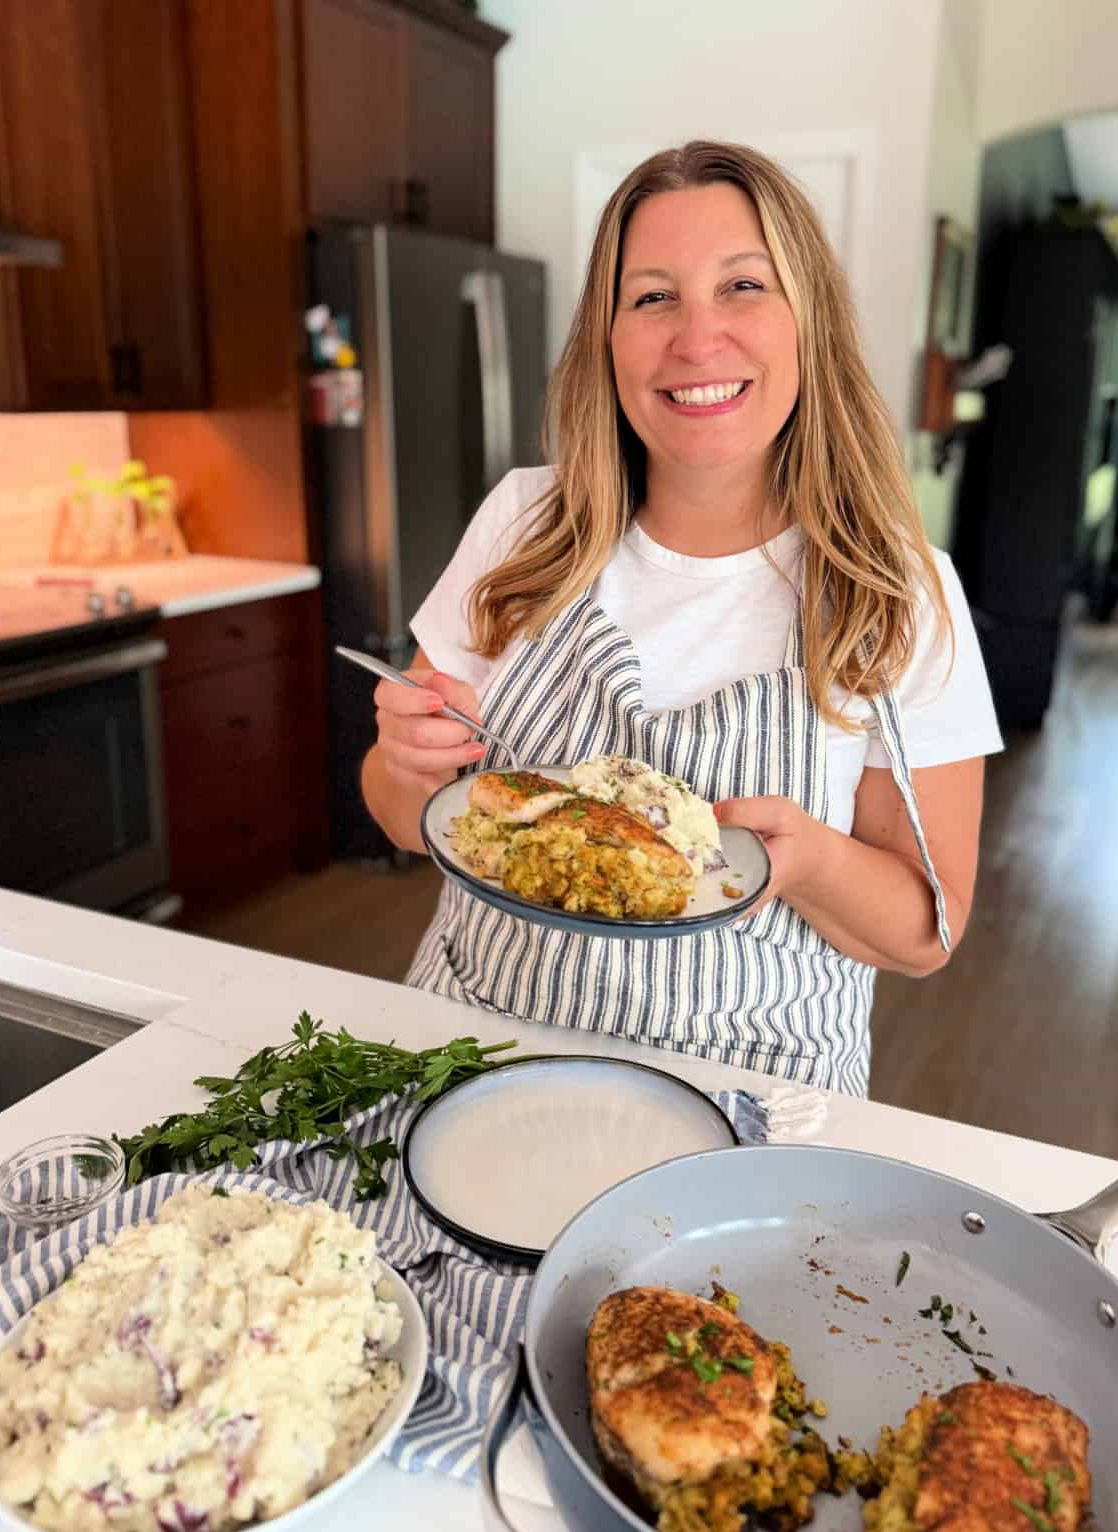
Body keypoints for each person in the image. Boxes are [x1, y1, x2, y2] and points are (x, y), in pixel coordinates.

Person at [361, 140, 1002, 1095]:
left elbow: (926, 934)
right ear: (607, 339)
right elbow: (409, 820)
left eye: (743, 286)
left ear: (808, 320)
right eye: (653, 296)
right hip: (473, 1053)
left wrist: (810, 860)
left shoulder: (897, 592)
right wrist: (403, 765)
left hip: (752, 1098)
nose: (698, 341)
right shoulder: (523, 525)